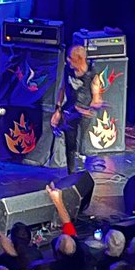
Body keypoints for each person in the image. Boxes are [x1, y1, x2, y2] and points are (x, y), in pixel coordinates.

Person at [50, 45, 104, 175]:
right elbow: (62, 89)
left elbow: (96, 96)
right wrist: (58, 110)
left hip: (84, 113)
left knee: (80, 142)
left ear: (80, 59)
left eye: (71, 58)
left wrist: (95, 102)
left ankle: (82, 170)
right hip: (70, 109)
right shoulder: (68, 70)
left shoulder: (91, 73)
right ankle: (71, 173)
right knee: (70, 143)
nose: (68, 60)